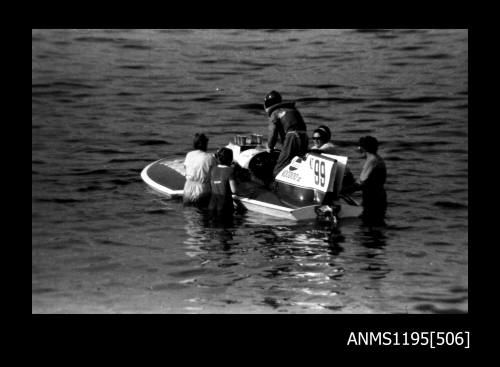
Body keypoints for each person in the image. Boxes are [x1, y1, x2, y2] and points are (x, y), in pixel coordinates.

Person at [342, 136, 387, 225]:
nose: (358, 149)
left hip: (373, 199)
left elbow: (360, 183)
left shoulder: (371, 160)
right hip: (379, 197)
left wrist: (343, 191)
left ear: (363, 148)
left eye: (360, 147)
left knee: (368, 225)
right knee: (376, 228)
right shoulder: (378, 159)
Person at [263, 90, 309, 177]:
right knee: (298, 162)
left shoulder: (275, 112)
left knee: (279, 168)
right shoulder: (291, 109)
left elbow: (273, 132)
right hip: (304, 136)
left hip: (293, 136)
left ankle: (276, 185)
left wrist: (270, 147)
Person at [183, 133, 216, 207]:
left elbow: (185, 167)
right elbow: (216, 174)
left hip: (188, 187)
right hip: (202, 188)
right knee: (201, 214)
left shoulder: (189, 154)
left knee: (188, 213)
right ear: (204, 144)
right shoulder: (210, 157)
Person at [208, 147, 237, 222]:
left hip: (212, 203)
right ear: (230, 159)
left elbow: (212, 185)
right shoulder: (230, 170)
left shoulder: (213, 169)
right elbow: (234, 190)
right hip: (225, 204)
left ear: (219, 159)